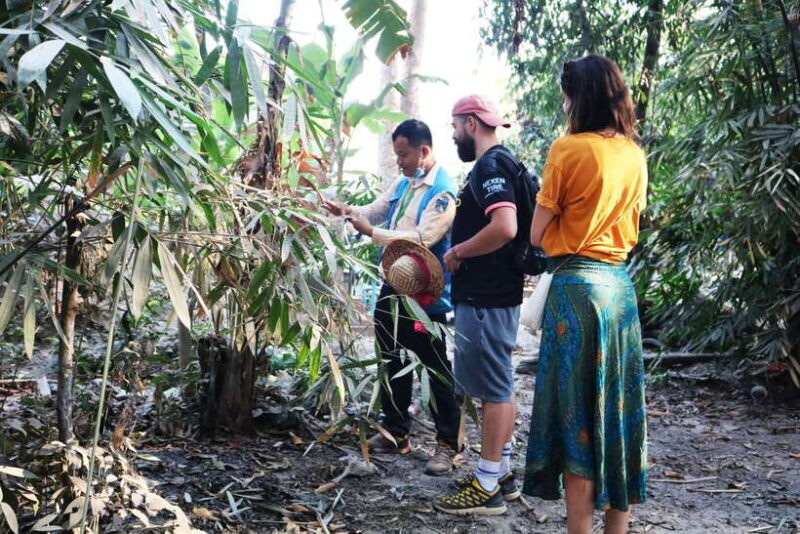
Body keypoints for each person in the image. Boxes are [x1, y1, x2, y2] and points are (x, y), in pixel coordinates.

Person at [523, 55, 649, 534]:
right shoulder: (634, 155)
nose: (565, 106)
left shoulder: (568, 149)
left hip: (575, 289)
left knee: (577, 416)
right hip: (619, 290)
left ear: (581, 99)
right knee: (617, 412)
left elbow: (537, 233)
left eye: (567, 98)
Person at [322, 119, 463, 475]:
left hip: (424, 293)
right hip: (393, 284)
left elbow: (424, 237)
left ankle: (449, 444)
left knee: (433, 366)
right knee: (391, 357)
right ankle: (396, 431)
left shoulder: (443, 191)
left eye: (404, 154)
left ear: (423, 151)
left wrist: (372, 233)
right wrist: (348, 211)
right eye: (397, 154)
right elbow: (378, 208)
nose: (399, 161)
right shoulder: (405, 182)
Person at [434, 95, 525, 515]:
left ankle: (486, 484)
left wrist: (458, 252)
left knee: (494, 389)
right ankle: (501, 472)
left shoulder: (490, 166)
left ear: (471, 123)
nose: (454, 135)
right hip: (493, 293)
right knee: (497, 383)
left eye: (455, 127)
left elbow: (505, 226)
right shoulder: (503, 163)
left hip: (487, 294)